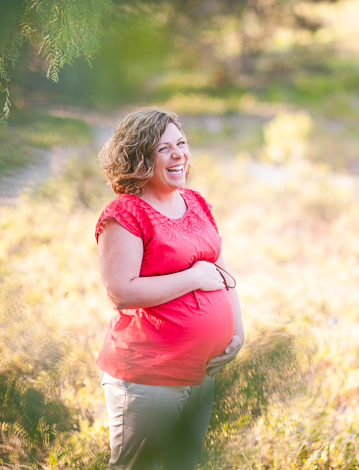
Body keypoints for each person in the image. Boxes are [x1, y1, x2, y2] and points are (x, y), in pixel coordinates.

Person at [94, 107, 244, 470]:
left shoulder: (194, 202)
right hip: (149, 375)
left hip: (201, 371)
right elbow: (122, 292)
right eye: (164, 148)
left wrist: (237, 331)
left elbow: (220, 269)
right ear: (139, 158)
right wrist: (193, 278)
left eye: (181, 143)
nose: (179, 154)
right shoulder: (125, 214)